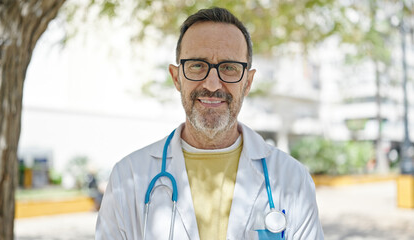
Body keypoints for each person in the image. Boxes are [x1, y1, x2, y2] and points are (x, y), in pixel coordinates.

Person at [96, 7, 324, 240]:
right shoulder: (128, 178)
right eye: (197, 65)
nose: (213, 84)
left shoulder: (292, 179)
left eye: (229, 67)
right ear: (176, 78)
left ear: (247, 82)